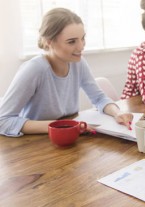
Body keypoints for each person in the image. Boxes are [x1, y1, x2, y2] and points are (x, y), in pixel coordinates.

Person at [0, 8, 133, 137]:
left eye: (82, 39)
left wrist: (117, 113)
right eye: (72, 42)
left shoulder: (78, 63)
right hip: (35, 143)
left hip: (69, 137)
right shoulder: (33, 69)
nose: (81, 47)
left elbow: (99, 98)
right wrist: (63, 126)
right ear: (49, 42)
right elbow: (3, 120)